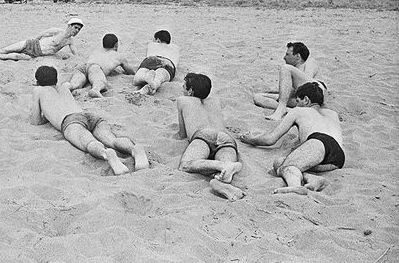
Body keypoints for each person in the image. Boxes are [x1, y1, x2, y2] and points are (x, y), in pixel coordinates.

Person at [30, 66, 149, 175]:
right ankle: (134, 149)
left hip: (71, 121)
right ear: (55, 80)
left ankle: (106, 154)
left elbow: (36, 121)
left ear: (37, 81)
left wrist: (47, 114)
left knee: (89, 143)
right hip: (88, 115)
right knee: (113, 140)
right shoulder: (64, 87)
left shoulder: (38, 91)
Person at [240, 82, 344, 195]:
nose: (296, 105)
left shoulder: (298, 111)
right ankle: (313, 179)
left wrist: (251, 139)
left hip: (319, 142)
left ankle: (295, 186)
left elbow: (270, 139)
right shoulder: (333, 114)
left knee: (286, 166)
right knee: (279, 163)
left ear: (306, 100)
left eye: (298, 101)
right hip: (338, 158)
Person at [177, 73, 245, 201]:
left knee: (185, 165)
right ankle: (225, 177)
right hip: (226, 138)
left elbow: (182, 134)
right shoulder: (215, 100)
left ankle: (221, 165)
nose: (182, 89)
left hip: (203, 135)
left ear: (190, 91)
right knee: (225, 174)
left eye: (183, 86)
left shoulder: (183, 100)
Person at [254, 42, 325, 120]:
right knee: (258, 97)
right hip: (301, 99)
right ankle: (288, 110)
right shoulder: (293, 73)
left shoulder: (309, 62)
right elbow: (293, 89)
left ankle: (281, 109)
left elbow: (308, 86)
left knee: (285, 68)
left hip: (316, 91)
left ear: (298, 56)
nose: (284, 57)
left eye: (287, 54)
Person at [0, 17, 83, 61]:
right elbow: (41, 34)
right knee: (5, 50)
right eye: (75, 27)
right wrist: (34, 41)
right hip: (31, 44)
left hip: (36, 54)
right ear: (69, 26)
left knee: (14, 56)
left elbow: (75, 54)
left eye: (79, 29)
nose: (77, 30)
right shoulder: (57, 31)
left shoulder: (70, 41)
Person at [67, 33, 136, 98]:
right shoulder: (119, 56)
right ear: (116, 45)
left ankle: (67, 86)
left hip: (83, 67)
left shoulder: (97, 51)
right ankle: (96, 89)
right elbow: (130, 72)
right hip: (95, 68)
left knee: (74, 84)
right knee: (100, 82)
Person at [133, 30, 180, 94]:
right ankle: (153, 85)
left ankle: (145, 78)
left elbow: (147, 56)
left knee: (139, 76)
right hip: (167, 62)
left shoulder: (152, 45)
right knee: (160, 76)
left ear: (158, 40)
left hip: (151, 59)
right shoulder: (176, 49)